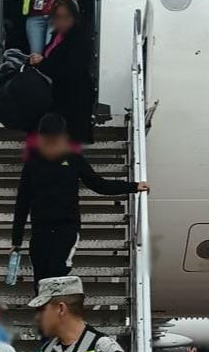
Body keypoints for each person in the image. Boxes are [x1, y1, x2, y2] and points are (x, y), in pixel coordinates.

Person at [12, 112, 149, 290]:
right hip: (40, 229)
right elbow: (22, 202)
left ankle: (58, 313)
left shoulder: (73, 159)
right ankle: (44, 315)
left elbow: (98, 184)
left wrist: (133, 186)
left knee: (57, 274)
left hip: (66, 228)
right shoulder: (33, 164)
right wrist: (16, 240)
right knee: (40, 278)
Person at [27, 0, 95, 144]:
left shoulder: (80, 38)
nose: (61, 22)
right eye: (57, 17)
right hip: (59, 98)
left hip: (74, 100)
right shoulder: (57, 36)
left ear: (74, 17)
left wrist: (43, 63)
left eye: (65, 17)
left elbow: (72, 69)